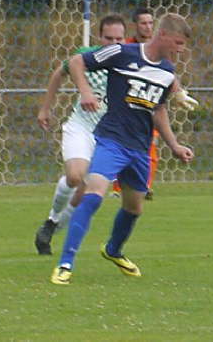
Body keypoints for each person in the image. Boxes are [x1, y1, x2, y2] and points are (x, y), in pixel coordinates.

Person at [51, 13, 194, 285]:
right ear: (162, 35)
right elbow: (76, 61)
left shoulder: (167, 72)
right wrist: (85, 92)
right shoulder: (122, 52)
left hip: (139, 148)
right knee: (94, 193)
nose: (180, 49)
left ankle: (113, 250)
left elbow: (158, 109)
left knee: (134, 208)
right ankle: (65, 262)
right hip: (112, 139)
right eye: (177, 42)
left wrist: (174, 144)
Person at [34, 14, 127, 255]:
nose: (114, 44)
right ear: (99, 37)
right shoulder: (88, 56)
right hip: (82, 127)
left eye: (119, 39)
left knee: (88, 192)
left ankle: (51, 228)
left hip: (109, 136)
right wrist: (46, 108)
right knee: (76, 177)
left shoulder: (131, 62)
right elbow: (59, 73)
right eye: (109, 38)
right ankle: (53, 217)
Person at [112, 8, 197, 200]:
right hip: (124, 105)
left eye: (151, 23)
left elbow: (166, 73)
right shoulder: (127, 48)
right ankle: (118, 187)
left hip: (149, 103)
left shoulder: (163, 51)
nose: (147, 27)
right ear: (135, 26)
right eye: (143, 23)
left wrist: (179, 93)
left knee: (150, 141)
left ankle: (143, 186)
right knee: (119, 146)